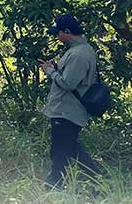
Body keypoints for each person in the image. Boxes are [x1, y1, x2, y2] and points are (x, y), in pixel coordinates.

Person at [39, 14, 102, 188]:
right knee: (72, 149)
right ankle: (99, 183)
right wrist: (56, 68)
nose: (57, 37)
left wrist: (49, 71)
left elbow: (68, 83)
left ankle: (54, 186)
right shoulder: (81, 50)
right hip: (68, 110)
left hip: (67, 111)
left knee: (59, 153)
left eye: (58, 33)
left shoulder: (78, 55)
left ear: (67, 31)